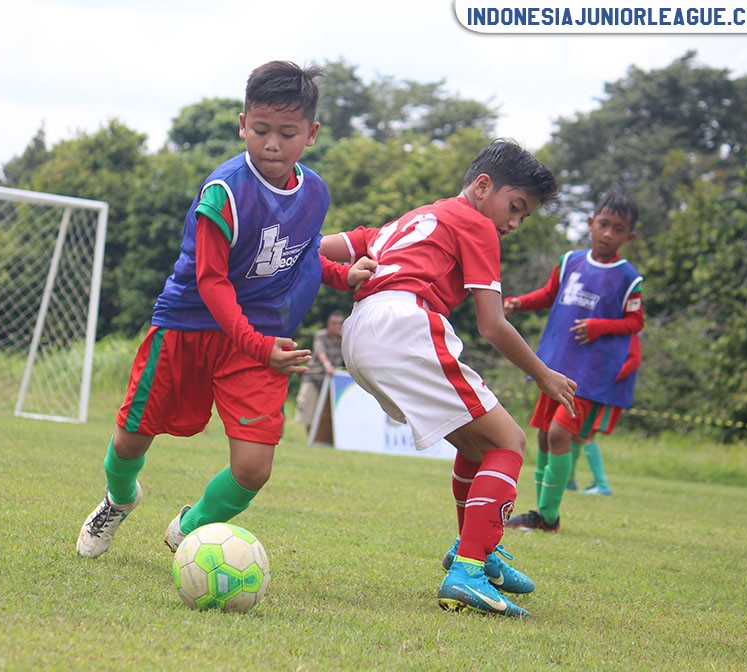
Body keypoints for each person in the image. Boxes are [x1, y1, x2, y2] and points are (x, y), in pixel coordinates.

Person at [76, 61, 376, 560]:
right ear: (242, 125)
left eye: (287, 133)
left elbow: (296, 254)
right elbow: (211, 281)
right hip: (188, 326)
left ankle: (189, 529)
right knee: (130, 441)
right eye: (260, 130)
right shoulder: (225, 191)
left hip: (257, 338)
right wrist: (258, 345)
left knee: (254, 468)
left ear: (311, 134)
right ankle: (119, 499)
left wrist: (342, 276)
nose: (272, 144)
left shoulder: (315, 193)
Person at [320, 139, 576, 618]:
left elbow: (310, 247)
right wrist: (544, 376)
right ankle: (469, 569)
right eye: (515, 207)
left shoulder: (408, 221)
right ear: (483, 186)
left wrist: (337, 273)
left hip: (359, 333)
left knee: (476, 445)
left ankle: (477, 548)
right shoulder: (476, 225)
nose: (514, 224)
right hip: (404, 325)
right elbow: (492, 325)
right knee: (509, 442)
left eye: (524, 217)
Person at [504, 191, 644, 531]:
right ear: (591, 223)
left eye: (618, 229)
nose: (608, 233)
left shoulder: (628, 278)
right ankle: (541, 513)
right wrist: (520, 303)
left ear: (629, 237)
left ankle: (548, 516)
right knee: (542, 436)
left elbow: (635, 322)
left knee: (558, 435)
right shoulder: (570, 261)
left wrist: (599, 326)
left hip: (589, 376)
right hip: (555, 366)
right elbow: (549, 295)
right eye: (604, 224)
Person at [566, 334, 643, 495]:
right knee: (576, 434)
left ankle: (602, 485)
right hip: (596, 391)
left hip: (609, 393)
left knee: (586, 435)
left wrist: (608, 379)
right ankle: (569, 482)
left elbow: (634, 359)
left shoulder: (629, 331)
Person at [294, 310, 345, 434]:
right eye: (334, 323)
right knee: (308, 411)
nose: (336, 326)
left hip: (331, 382)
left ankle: (320, 439)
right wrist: (327, 366)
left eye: (339, 323)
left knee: (328, 416)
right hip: (313, 377)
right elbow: (320, 352)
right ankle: (309, 438)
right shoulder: (321, 335)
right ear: (329, 324)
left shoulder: (344, 339)